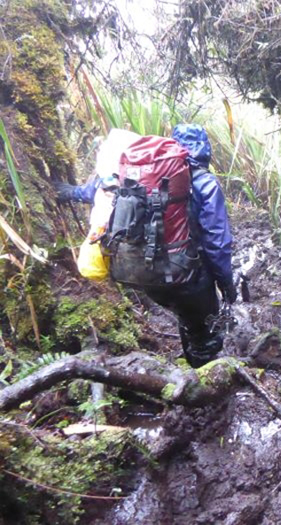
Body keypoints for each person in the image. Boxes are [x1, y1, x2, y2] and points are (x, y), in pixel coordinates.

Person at [55, 124, 235, 368]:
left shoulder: (142, 175)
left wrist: (68, 192)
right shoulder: (204, 183)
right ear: (206, 150)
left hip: (138, 273)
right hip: (183, 273)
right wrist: (226, 282)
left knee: (185, 315)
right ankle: (204, 389)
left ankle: (189, 365)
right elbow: (217, 241)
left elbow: (103, 189)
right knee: (204, 330)